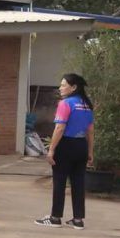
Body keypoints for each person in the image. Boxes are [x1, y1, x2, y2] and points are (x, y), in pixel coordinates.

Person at [36, 73, 94, 230]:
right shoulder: (87, 104)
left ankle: (55, 217)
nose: (60, 88)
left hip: (66, 146)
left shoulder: (65, 104)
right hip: (81, 145)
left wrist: (51, 150)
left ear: (73, 87)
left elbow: (60, 128)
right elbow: (90, 131)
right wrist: (90, 151)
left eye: (63, 85)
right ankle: (78, 219)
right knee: (78, 183)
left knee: (59, 181)